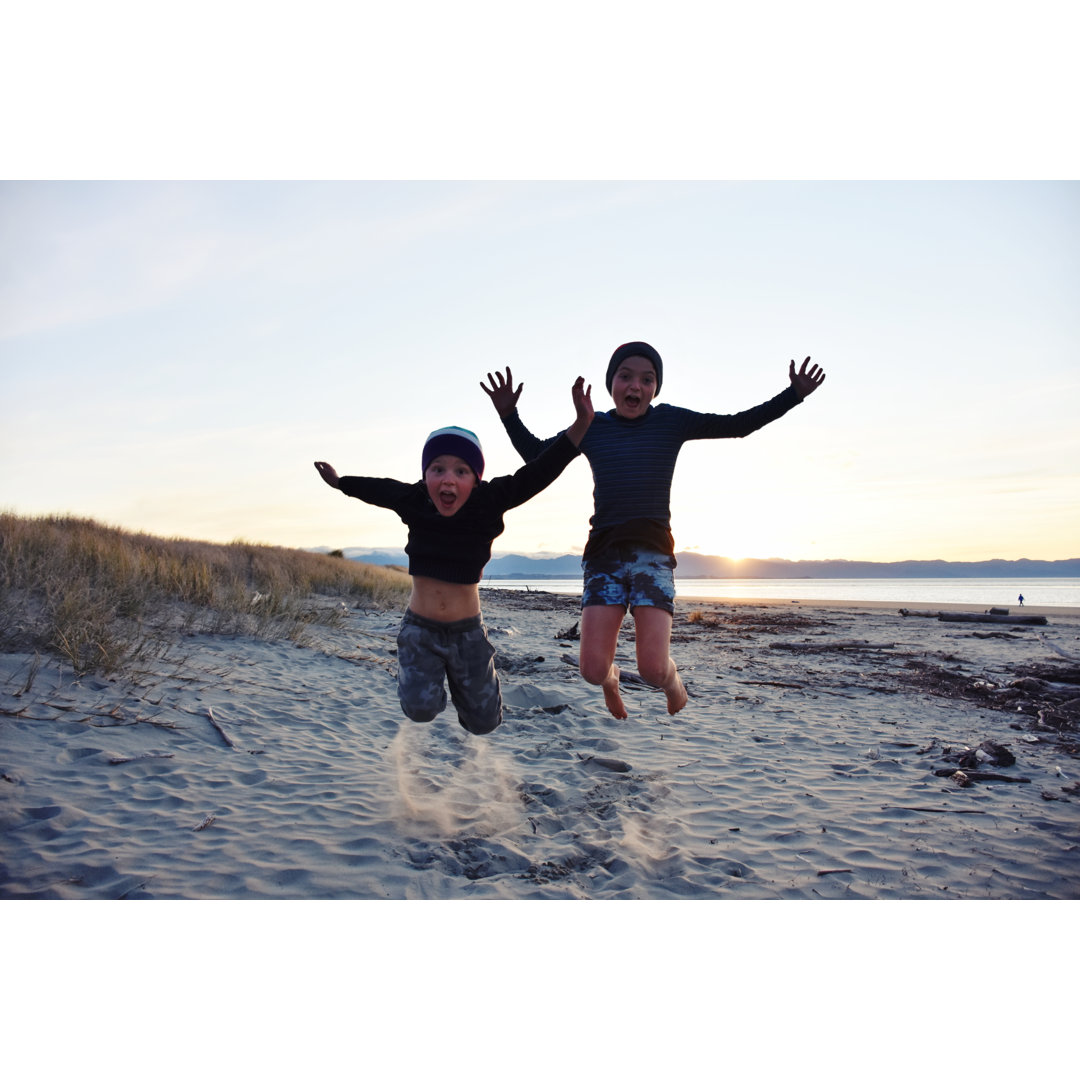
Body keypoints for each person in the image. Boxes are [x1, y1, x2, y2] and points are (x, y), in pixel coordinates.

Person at [482, 342, 825, 719]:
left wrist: (793, 395)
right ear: (611, 383)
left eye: (647, 379)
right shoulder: (591, 425)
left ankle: (674, 683)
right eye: (625, 376)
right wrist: (509, 414)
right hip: (603, 557)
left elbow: (737, 425)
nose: (635, 386)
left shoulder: (671, 421)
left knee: (652, 670)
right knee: (592, 671)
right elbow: (537, 456)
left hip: (653, 557)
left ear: (655, 388)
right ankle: (612, 682)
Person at [314, 377, 593, 735]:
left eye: (461, 471)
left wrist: (581, 425)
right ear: (425, 475)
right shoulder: (415, 501)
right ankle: (424, 682)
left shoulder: (488, 502)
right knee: (419, 710)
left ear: (476, 479)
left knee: (483, 724)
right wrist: (341, 483)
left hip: (468, 633)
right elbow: (378, 488)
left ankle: (473, 688)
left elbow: (537, 473)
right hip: (420, 630)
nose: (449, 480)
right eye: (438, 469)